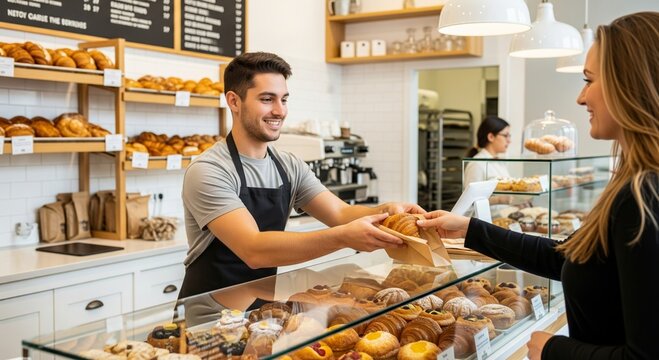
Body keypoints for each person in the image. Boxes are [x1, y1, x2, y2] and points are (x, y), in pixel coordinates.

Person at [417, 12, 659, 359]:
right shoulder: (636, 185)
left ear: (630, 84)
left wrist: (554, 349)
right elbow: (565, 257)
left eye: (589, 80)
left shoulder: (643, 197)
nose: (580, 98)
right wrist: (469, 228)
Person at [180, 52, 422, 303]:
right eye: (267, 99)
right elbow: (253, 249)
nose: (279, 111)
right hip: (207, 313)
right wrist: (343, 237)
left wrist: (388, 212)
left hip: (261, 306)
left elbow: (340, 215)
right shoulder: (209, 170)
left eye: (284, 99)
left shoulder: (289, 166)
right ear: (234, 101)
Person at [463, 115, 512, 186]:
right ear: (491, 137)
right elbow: (472, 196)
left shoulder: (499, 162)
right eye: (505, 136)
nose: (509, 141)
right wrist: (498, 198)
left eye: (509, 136)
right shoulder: (476, 164)